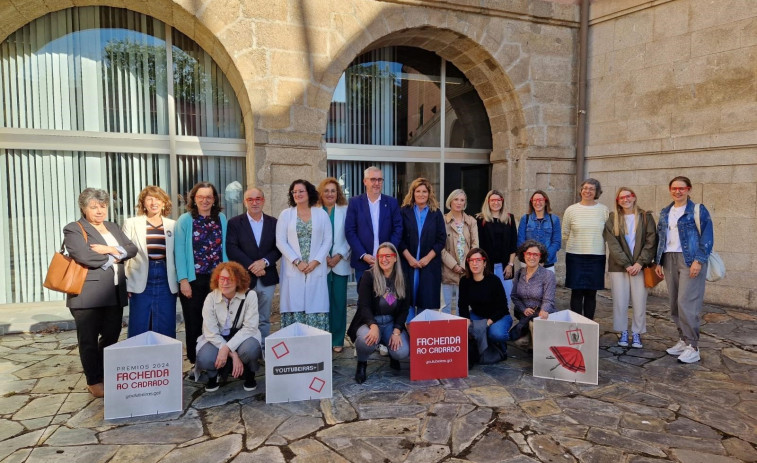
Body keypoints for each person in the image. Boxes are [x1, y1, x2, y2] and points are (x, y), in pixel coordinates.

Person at [63, 188, 137, 397]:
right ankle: (93, 380)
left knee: (111, 336)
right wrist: (117, 254)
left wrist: (109, 250)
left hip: (114, 292)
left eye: (103, 206)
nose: (99, 211)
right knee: (88, 340)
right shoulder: (74, 229)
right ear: (84, 208)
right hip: (87, 295)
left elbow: (132, 249)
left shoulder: (112, 226)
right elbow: (84, 256)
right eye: (93, 207)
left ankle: (104, 373)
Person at [654, 176, 713, 364]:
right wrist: (658, 262)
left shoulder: (698, 210)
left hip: (690, 260)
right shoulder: (665, 211)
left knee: (687, 302)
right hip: (669, 259)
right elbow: (660, 238)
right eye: (674, 188)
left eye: (681, 188)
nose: (677, 191)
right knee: (674, 303)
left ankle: (693, 346)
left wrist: (699, 260)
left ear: (689, 189)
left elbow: (707, 236)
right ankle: (683, 339)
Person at [175, 182, 228, 366]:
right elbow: (179, 252)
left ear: (214, 200)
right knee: (194, 320)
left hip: (217, 280)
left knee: (218, 320)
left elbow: (225, 249)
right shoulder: (185, 220)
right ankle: (196, 359)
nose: (204, 200)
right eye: (200, 197)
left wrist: (227, 276)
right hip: (193, 279)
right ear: (194, 199)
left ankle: (217, 359)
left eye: (208, 197)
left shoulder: (221, 218)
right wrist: (183, 280)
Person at [226, 187, 281, 347]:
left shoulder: (274, 222)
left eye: (258, 199)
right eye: (250, 199)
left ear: (263, 201)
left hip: (267, 277)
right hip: (244, 278)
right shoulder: (235, 223)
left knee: (264, 317)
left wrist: (264, 262)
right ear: (245, 202)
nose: (254, 202)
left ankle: (262, 347)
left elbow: (278, 247)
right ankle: (244, 348)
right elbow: (232, 248)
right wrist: (253, 266)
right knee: (243, 317)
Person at [347, 243, 410, 384]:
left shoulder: (402, 278)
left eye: (388, 256)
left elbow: (404, 308)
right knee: (366, 341)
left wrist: (397, 331)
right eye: (380, 256)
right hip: (369, 321)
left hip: (390, 323)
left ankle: (393, 355)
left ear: (395, 258)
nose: (384, 259)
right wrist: (373, 326)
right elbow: (363, 306)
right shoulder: (368, 276)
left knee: (402, 351)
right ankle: (362, 363)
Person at [604, 187, 657, 349]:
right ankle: (622, 331)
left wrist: (640, 263)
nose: (625, 200)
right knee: (620, 301)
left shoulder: (646, 217)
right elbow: (613, 244)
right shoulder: (612, 219)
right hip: (619, 267)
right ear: (617, 201)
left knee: (639, 301)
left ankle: (636, 333)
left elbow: (651, 241)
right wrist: (627, 264)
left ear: (634, 197)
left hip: (640, 266)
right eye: (621, 198)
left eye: (628, 196)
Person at [196, 262, 261, 392]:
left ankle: (249, 374)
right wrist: (232, 354)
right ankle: (213, 376)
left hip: (243, 337)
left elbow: (250, 328)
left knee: (250, 349)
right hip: (217, 339)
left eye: (229, 279)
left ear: (238, 281)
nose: (224, 283)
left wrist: (226, 348)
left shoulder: (250, 296)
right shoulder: (211, 298)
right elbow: (210, 332)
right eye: (222, 278)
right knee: (205, 357)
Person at [122, 186, 178, 339]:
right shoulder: (132, 223)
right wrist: (125, 281)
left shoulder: (173, 225)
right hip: (140, 276)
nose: (154, 202)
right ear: (143, 203)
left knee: (165, 323)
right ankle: (138, 360)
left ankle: (165, 361)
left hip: (166, 276)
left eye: (158, 199)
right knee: (139, 323)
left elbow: (177, 254)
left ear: (164, 203)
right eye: (149, 199)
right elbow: (124, 254)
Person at [276, 180, 332, 330]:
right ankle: (295, 347)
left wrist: (316, 261)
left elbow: (328, 240)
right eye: (294, 192)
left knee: (316, 304)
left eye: (301, 191)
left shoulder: (321, 214)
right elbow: (280, 241)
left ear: (309, 193)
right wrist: (297, 261)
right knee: (294, 304)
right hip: (294, 268)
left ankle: (316, 348)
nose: (297, 194)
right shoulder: (286, 215)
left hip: (315, 268)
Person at [344, 166, 403, 284]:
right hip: (363, 262)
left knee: (387, 299)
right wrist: (363, 255)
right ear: (365, 181)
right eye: (373, 179)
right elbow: (350, 231)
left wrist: (387, 253)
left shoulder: (391, 202)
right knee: (364, 298)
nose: (377, 183)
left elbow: (398, 228)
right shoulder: (355, 203)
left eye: (380, 180)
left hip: (387, 262)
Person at [398, 178, 446, 320]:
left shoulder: (436, 213)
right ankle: (407, 333)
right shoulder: (403, 212)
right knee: (406, 300)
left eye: (424, 191)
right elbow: (398, 238)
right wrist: (409, 258)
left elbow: (441, 239)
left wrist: (427, 258)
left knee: (426, 302)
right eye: (418, 191)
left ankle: (423, 335)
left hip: (429, 265)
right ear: (412, 193)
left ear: (429, 193)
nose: (421, 194)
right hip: (408, 264)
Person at [562, 178, 609, 320]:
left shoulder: (604, 210)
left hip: (596, 257)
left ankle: (589, 324)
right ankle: (575, 324)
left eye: (592, 189)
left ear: (597, 192)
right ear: (581, 190)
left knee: (591, 293)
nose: (588, 191)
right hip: (575, 256)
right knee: (576, 293)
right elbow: (565, 233)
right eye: (585, 188)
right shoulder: (571, 210)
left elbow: (608, 233)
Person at [317, 178, 352, 352]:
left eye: (333, 191)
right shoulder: (314, 211)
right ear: (320, 193)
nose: (330, 194)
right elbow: (313, 239)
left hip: (340, 262)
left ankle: (338, 339)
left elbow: (350, 235)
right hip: (320, 264)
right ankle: (323, 337)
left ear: (338, 193)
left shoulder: (345, 211)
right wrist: (322, 257)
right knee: (322, 303)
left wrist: (339, 255)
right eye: (326, 191)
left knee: (339, 302)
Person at [458, 248, 511, 356]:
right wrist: (467, 321)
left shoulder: (494, 280)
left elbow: (503, 307)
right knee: (461, 330)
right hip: (478, 315)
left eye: (478, 260)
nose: (475, 263)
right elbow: (462, 305)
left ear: (485, 263)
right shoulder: (464, 281)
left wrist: (487, 323)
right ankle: (484, 343)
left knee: (496, 334)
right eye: (471, 260)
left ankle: (500, 344)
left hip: (499, 316)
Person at [510, 240, 557, 349]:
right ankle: (531, 340)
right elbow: (514, 296)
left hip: (541, 313)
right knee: (518, 342)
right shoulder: (519, 273)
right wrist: (523, 309)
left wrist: (543, 311)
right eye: (529, 254)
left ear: (540, 257)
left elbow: (548, 299)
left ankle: (540, 351)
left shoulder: (548, 275)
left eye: (536, 254)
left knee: (535, 326)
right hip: (525, 314)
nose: (532, 257)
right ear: (524, 255)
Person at [441, 189, 479, 315]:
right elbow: (439, 247)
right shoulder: (442, 220)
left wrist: (463, 265)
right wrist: (454, 265)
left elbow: (475, 245)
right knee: (446, 306)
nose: (459, 203)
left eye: (462, 200)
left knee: (463, 305)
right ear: (450, 201)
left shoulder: (471, 221)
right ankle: (447, 333)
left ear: (465, 203)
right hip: (448, 269)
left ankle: (461, 333)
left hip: (466, 269)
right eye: (456, 199)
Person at [476, 189, 517, 304]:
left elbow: (513, 244)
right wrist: (482, 266)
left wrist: (510, 264)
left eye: (499, 200)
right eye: (493, 200)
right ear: (488, 202)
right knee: (488, 298)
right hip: (487, 267)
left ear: (502, 202)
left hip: (506, 266)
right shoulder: (480, 219)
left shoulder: (509, 218)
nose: (496, 202)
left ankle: (505, 321)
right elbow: (478, 245)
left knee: (507, 298)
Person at [517, 190, 561, 272]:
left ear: (546, 201)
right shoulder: (525, 219)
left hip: (547, 264)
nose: (537, 202)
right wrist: (530, 259)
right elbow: (520, 241)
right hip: (528, 263)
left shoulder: (554, 219)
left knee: (547, 285)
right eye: (535, 200)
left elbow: (556, 242)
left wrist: (543, 259)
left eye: (540, 200)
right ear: (531, 202)